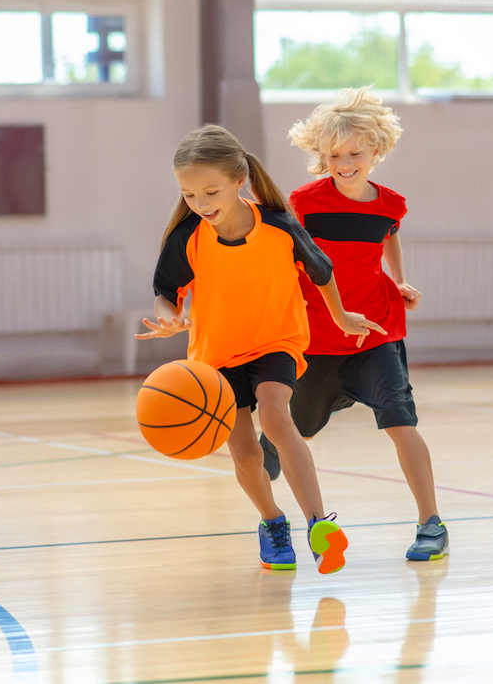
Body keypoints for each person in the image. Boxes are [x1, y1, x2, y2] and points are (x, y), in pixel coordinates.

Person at [137, 124, 384, 574]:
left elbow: (321, 271)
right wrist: (169, 315)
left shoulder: (278, 227)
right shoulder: (188, 236)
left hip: (276, 341)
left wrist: (341, 316)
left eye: (210, 191)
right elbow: (165, 290)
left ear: (239, 180)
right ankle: (272, 521)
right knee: (247, 455)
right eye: (189, 195)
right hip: (216, 357)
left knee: (275, 414)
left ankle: (317, 524)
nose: (201, 204)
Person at [260, 87, 449, 561]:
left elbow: (389, 238)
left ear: (376, 151)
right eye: (334, 155)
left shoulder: (391, 205)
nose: (344, 163)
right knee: (288, 438)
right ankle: (270, 515)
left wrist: (401, 281)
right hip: (317, 340)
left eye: (354, 153)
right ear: (322, 157)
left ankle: (432, 524)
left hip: (375, 332)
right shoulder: (303, 203)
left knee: (401, 422)